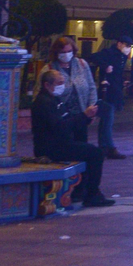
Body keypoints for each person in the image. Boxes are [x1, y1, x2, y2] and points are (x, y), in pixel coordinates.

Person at [31, 69, 114, 207]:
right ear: (47, 85)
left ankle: (84, 191)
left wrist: (87, 118)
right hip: (51, 147)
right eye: (59, 83)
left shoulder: (55, 100)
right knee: (95, 153)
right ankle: (92, 194)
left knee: (90, 150)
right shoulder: (43, 102)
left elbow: (68, 120)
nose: (62, 86)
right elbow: (59, 127)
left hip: (61, 143)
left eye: (63, 83)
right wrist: (83, 116)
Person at [48, 36, 99, 145]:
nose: (66, 54)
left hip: (81, 115)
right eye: (63, 52)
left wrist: (91, 108)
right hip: (62, 119)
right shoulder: (50, 68)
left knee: (82, 146)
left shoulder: (81, 64)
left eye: (69, 51)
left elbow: (91, 87)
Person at [89, 38, 132, 160]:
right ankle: (109, 148)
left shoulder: (121, 56)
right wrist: (105, 66)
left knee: (106, 121)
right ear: (119, 43)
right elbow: (93, 57)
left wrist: (122, 81)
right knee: (108, 120)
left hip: (114, 90)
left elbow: (117, 74)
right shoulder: (109, 53)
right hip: (108, 91)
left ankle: (103, 147)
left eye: (129, 46)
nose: (128, 48)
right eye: (126, 44)